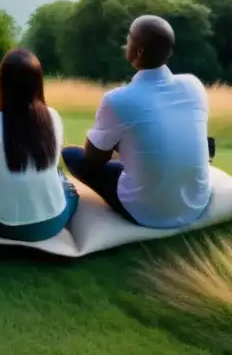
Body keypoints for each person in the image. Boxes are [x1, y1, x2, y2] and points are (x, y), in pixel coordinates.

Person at [62, 15, 211, 228]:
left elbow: (93, 160)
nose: (126, 43)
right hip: (196, 202)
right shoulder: (194, 85)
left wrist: (112, 143)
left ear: (139, 51)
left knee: (71, 155)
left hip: (148, 211)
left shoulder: (118, 99)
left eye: (129, 38)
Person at [0, 49, 79, 242]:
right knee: (66, 184)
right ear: (38, 83)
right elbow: (53, 166)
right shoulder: (53, 116)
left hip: (4, 224)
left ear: (3, 83)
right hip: (53, 222)